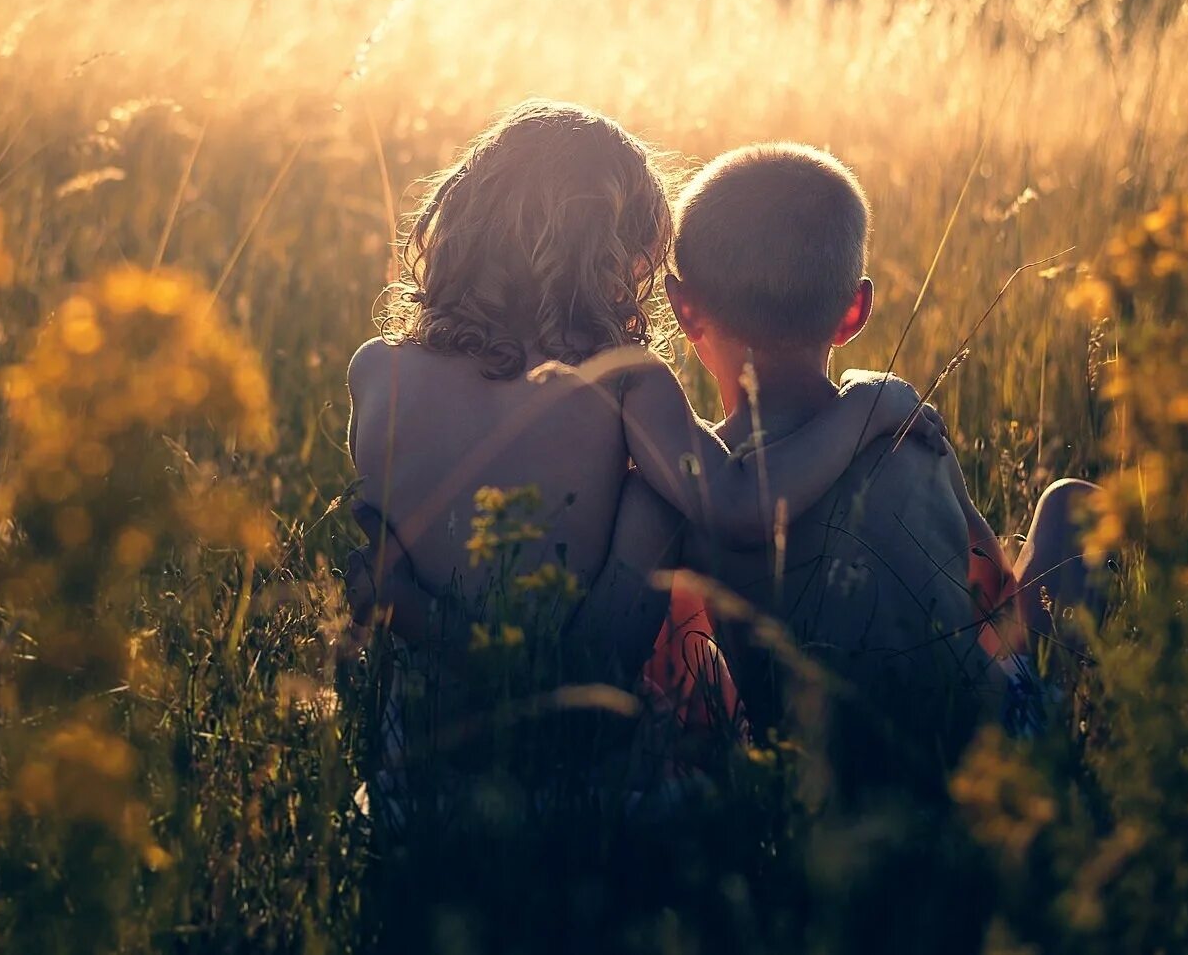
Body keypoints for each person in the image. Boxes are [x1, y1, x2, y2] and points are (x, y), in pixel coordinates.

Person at [343, 103, 943, 681]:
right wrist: (870, 406)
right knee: (660, 496)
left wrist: (400, 606)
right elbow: (738, 507)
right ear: (619, 263)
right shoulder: (623, 376)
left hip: (411, 761)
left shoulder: (376, 371)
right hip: (578, 727)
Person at [573, 143, 1100, 777]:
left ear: (684, 308)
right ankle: (1066, 712)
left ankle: (715, 732)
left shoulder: (700, 485)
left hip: (821, 782)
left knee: (677, 603)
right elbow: (991, 595)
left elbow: (622, 642)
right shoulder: (899, 421)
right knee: (1072, 502)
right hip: (993, 754)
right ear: (855, 310)